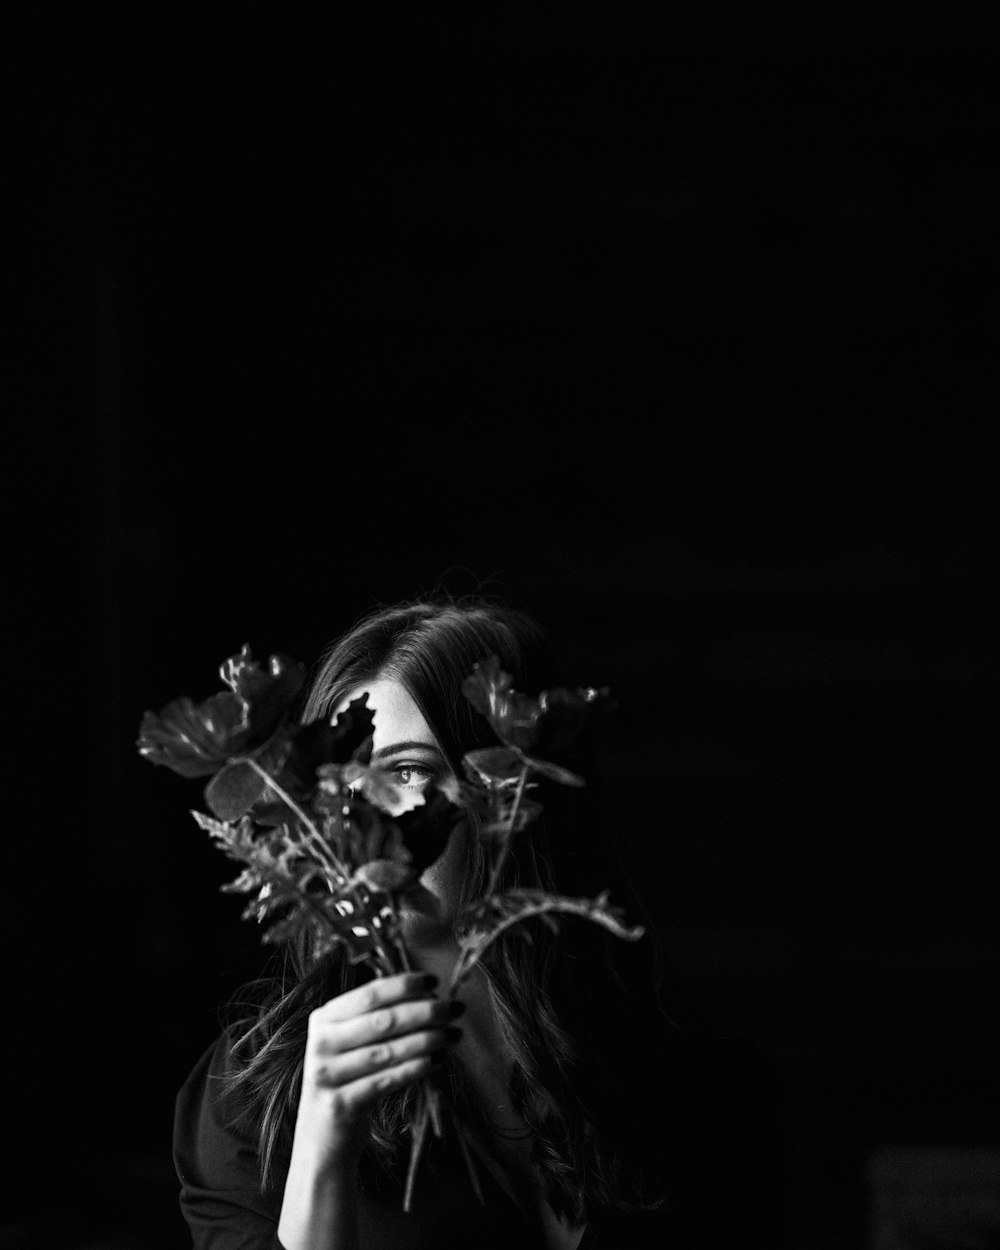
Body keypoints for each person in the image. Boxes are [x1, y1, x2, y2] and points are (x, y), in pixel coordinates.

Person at [173, 596, 786, 1248]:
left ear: (513, 795)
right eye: (335, 783)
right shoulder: (258, 1098)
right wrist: (324, 1146)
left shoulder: (684, 1084)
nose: (356, 819)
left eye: (407, 770)